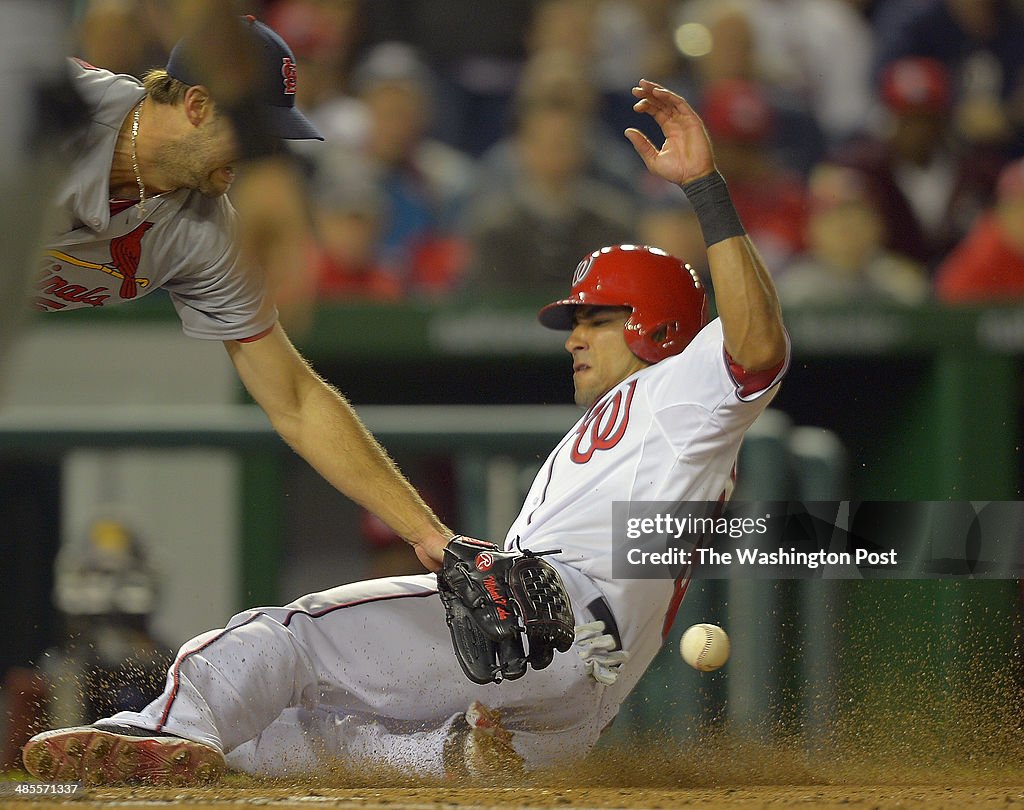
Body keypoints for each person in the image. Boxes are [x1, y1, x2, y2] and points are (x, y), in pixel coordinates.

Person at [22, 79, 789, 784]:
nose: (573, 336)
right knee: (266, 740)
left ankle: (157, 722)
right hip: (575, 699)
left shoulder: (684, 385)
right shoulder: (639, 431)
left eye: (594, 318)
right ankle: (447, 753)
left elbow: (755, 350)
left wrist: (704, 189)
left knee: (286, 636)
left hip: (557, 618)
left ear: (654, 324)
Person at [32, 16, 455, 571]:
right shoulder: (54, 111)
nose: (264, 158)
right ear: (199, 106)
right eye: (257, 134)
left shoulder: (208, 231)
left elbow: (296, 399)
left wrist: (429, 535)